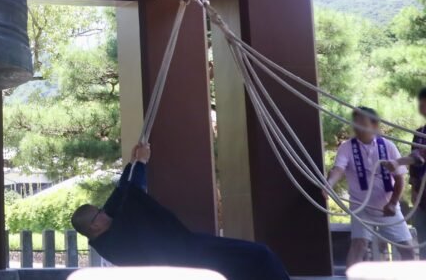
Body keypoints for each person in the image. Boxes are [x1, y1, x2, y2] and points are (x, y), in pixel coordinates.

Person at [71, 142, 290, 280]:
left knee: (255, 260)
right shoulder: (114, 242)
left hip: (187, 251)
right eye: (99, 212)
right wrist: (142, 162)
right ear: (95, 225)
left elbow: (121, 195)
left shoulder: (106, 231)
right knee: (260, 257)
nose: (104, 211)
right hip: (187, 260)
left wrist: (135, 163)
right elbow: (131, 195)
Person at [325, 106, 415, 267]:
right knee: (358, 245)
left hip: (387, 207)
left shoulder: (388, 146)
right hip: (361, 208)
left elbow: (400, 179)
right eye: (356, 122)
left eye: (362, 122)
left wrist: (393, 203)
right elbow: (338, 169)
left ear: (374, 125)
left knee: (407, 249)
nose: (358, 126)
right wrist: (329, 184)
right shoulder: (346, 147)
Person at [381, 87, 426, 247]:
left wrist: (397, 162)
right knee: (423, 243)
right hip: (422, 197)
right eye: (421, 105)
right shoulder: (419, 133)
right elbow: (415, 162)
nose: (422, 108)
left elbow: (420, 156)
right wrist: (414, 189)